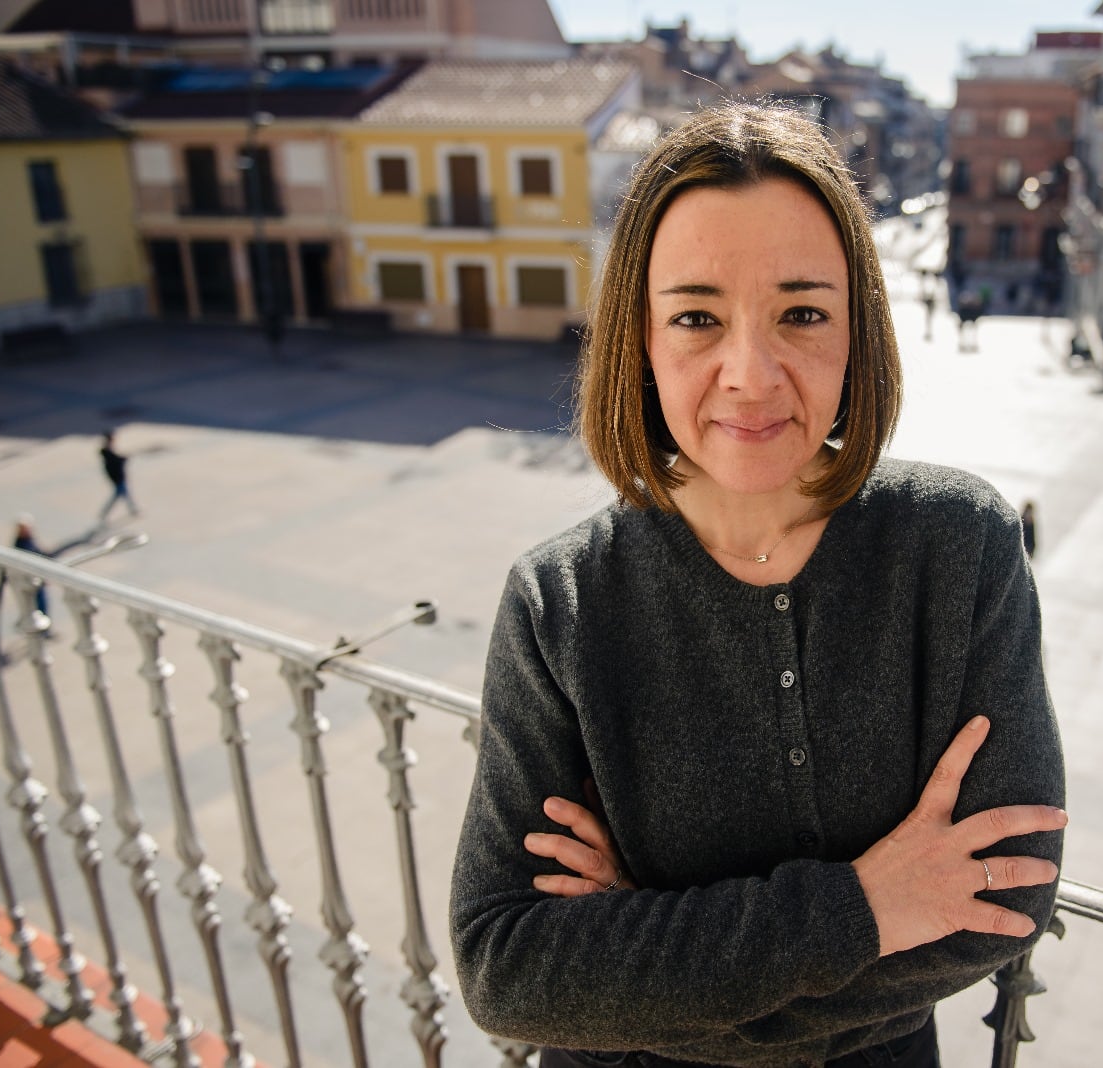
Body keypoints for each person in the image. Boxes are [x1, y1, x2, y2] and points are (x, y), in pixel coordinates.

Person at [450, 102, 1066, 1068]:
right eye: (696, 316)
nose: (750, 374)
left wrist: (645, 957)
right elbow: (507, 970)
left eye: (802, 313)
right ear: (639, 342)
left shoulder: (959, 547)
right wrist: (866, 909)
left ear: (858, 329)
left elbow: (1004, 903)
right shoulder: (559, 603)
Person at [11, 514, 50, 616]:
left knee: (41, 604)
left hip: (36, 578)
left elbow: (40, 554)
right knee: (34, 604)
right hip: (30, 579)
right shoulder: (20, 544)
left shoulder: (28, 540)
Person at [97, 430, 140, 523]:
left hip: (118, 476)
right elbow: (115, 462)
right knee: (120, 495)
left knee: (123, 494)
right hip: (117, 477)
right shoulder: (107, 453)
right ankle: (105, 513)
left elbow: (117, 460)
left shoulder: (108, 452)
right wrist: (123, 459)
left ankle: (132, 510)